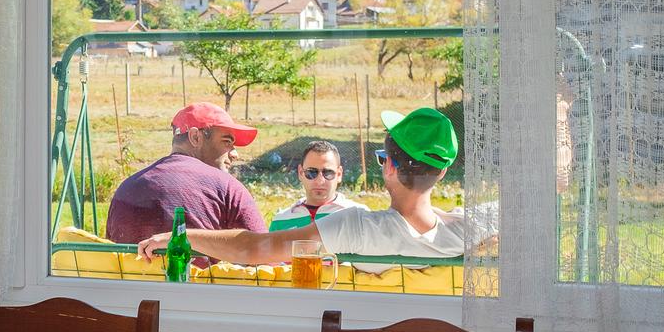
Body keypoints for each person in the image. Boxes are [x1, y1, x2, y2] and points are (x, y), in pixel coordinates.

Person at [137, 107, 488, 265]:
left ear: (389, 167)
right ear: (443, 173)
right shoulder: (473, 230)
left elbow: (253, 248)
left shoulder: (355, 226)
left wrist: (182, 235)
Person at [105, 102, 266, 248]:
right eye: (227, 142)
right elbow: (265, 253)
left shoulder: (126, 188)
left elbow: (111, 255)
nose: (235, 154)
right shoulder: (228, 187)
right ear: (195, 137)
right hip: (197, 273)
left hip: (131, 273)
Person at [267, 140, 367, 232]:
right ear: (300, 173)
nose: (320, 181)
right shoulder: (280, 221)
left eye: (328, 173)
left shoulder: (359, 217)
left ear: (339, 174)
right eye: (311, 173)